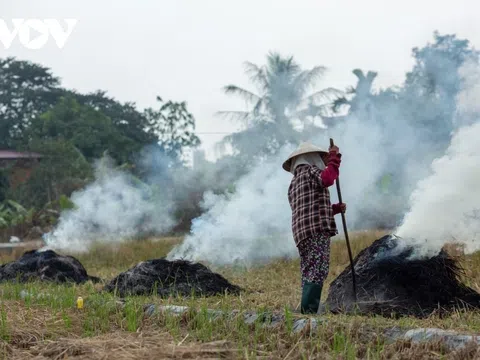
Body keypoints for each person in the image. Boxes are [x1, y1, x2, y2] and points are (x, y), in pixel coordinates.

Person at [282, 142, 346, 314]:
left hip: (302, 233)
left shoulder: (293, 183)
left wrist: (335, 209)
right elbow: (328, 179)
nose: (321, 161)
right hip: (316, 231)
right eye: (319, 157)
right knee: (318, 269)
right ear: (310, 158)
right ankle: (309, 311)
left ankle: (308, 308)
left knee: (309, 269)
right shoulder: (311, 171)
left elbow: (309, 208)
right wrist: (333, 159)